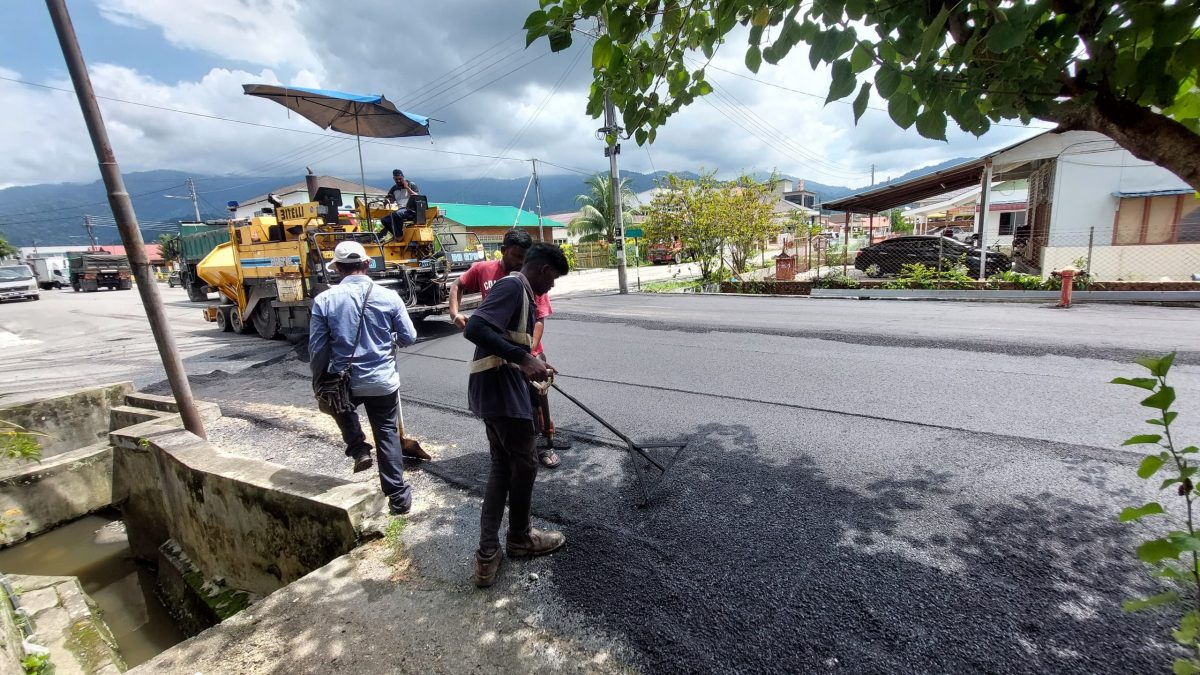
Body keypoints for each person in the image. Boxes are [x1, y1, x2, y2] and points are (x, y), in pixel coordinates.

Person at [463, 243, 571, 588]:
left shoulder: (520, 293)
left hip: (497, 390)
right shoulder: (512, 286)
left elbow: (504, 340)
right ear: (542, 269)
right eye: (553, 279)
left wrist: (532, 361)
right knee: (524, 464)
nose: (551, 286)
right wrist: (524, 359)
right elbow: (475, 328)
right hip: (501, 392)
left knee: (502, 466)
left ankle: (487, 554)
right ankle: (520, 538)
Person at [309, 240, 418, 515]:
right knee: (387, 434)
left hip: (343, 381)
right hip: (382, 381)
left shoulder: (324, 300)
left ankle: (358, 448)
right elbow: (409, 337)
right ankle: (398, 498)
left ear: (337, 268)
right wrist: (389, 339)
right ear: (367, 264)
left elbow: (318, 349)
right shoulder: (389, 297)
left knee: (336, 406)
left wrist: (318, 381)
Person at [449, 229, 571, 468]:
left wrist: (530, 355)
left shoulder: (530, 282)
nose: (521, 262)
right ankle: (523, 452)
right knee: (519, 449)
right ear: (503, 251)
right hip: (504, 363)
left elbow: (538, 320)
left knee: (537, 402)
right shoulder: (508, 281)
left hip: (526, 354)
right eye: (517, 256)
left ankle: (544, 444)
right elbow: (470, 316)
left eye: (525, 257)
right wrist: (455, 314)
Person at [380, 169, 419, 238]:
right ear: (393, 178)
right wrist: (387, 201)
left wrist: (407, 188)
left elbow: (417, 197)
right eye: (396, 179)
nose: (398, 181)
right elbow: (391, 200)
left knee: (397, 214)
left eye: (400, 179)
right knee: (384, 220)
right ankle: (398, 236)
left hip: (411, 210)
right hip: (400, 210)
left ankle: (399, 235)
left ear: (403, 177)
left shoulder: (411, 185)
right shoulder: (394, 188)